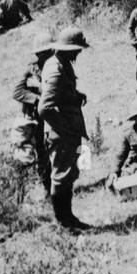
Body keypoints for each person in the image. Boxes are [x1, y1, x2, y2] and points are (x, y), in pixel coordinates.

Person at [38, 27, 92, 231]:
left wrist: (75, 95)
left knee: (68, 174)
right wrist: (64, 129)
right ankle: (63, 222)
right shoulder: (55, 68)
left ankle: (69, 218)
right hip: (61, 133)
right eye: (77, 49)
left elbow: (60, 94)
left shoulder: (61, 63)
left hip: (67, 130)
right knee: (61, 176)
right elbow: (44, 107)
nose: (79, 52)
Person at [10, 30, 54, 196]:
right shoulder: (31, 70)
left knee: (44, 157)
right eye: (44, 52)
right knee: (23, 158)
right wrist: (38, 99)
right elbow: (17, 92)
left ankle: (49, 192)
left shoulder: (54, 67)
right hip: (29, 120)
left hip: (46, 120)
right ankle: (18, 196)